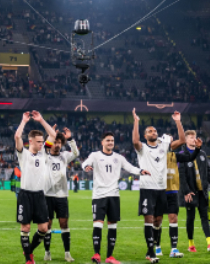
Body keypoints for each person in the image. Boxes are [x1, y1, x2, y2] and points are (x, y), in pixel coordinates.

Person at [82, 132, 151, 264]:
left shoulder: (119, 157)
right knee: (98, 224)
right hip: (99, 196)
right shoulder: (95, 156)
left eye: (112, 141)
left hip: (114, 195)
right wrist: (86, 167)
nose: (110, 143)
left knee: (112, 225)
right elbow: (84, 163)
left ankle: (109, 256)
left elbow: (129, 167)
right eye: (108, 140)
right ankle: (96, 254)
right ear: (102, 142)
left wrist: (140, 171)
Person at [132, 109, 186, 263]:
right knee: (149, 219)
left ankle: (155, 248)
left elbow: (182, 140)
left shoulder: (164, 146)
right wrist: (136, 121)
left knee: (157, 221)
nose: (153, 132)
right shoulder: (142, 148)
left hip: (161, 189)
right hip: (147, 189)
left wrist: (177, 121)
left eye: (154, 130)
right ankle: (151, 252)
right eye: (149, 131)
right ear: (145, 136)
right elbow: (135, 141)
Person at [14, 111, 58, 264]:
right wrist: (23, 121)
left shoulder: (44, 154)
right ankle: (28, 259)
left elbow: (52, 135)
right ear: (31, 141)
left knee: (44, 229)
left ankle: (29, 251)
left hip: (40, 195)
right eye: (38, 141)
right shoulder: (23, 154)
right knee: (25, 228)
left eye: (42, 141)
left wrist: (42, 120)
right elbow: (17, 137)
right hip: (25, 195)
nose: (41, 144)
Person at [155, 132, 204, 258]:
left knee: (173, 218)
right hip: (159, 192)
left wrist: (198, 148)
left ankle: (174, 249)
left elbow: (191, 157)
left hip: (172, 192)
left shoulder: (175, 156)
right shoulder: (155, 155)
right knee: (157, 221)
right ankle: (157, 247)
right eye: (169, 141)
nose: (172, 144)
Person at [177, 131, 210, 254]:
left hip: (202, 192)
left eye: (194, 137)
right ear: (186, 140)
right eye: (190, 137)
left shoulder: (203, 154)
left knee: (204, 217)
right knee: (191, 218)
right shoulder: (182, 155)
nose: (193, 139)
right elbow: (181, 176)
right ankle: (191, 244)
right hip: (190, 193)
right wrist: (186, 191)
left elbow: (209, 172)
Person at [43, 125, 79, 262]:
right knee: (48, 225)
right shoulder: (45, 157)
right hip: (47, 195)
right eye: (55, 142)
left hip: (62, 195)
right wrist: (50, 134)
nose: (57, 145)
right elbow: (45, 145)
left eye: (59, 142)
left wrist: (70, 139)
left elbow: (75, 153)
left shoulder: (64, 156)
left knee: (64, 223)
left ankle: (67, 253)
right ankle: (47, 252)